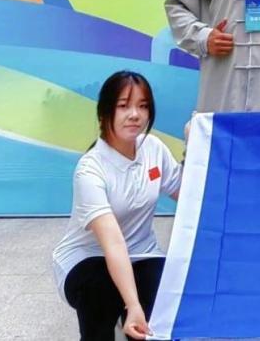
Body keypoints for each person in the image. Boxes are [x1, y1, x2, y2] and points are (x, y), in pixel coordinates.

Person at [52, 71, 182, 340]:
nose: (135, 114)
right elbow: (113, 243)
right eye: (123, 106)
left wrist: (197, 144)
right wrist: (133, 305)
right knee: (101, 292)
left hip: (143, 254)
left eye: (143, 106)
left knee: (165, 303)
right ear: (104, 113)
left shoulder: (154, 148)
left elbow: (191, 195)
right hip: (88, 258)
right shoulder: (90, 169)